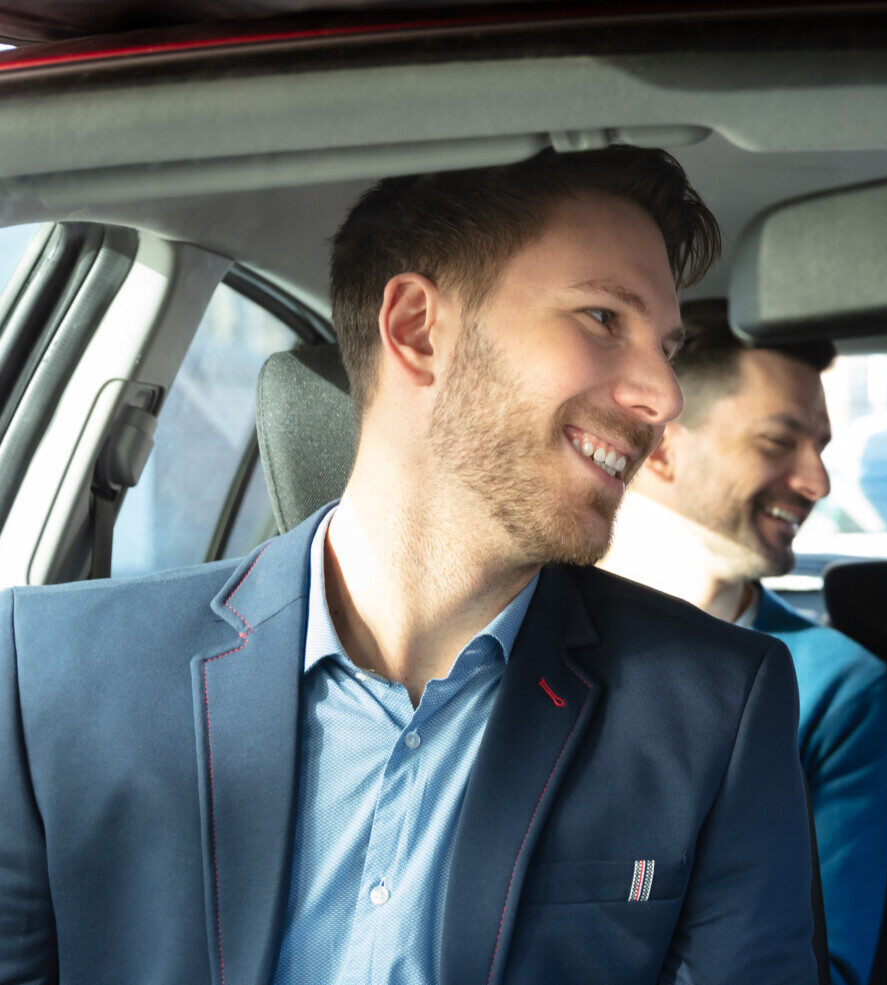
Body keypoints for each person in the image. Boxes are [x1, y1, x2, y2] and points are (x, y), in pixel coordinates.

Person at [0, 147, 821, 984]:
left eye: (667, 347)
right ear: (418, 331)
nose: (664, 394)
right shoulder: (51, 673)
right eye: (605, 319)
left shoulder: (715, 705)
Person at [599, 305, 887, 985]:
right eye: (777, 441)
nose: (818, 481)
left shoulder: (831, 684)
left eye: (819, 445)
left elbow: (824, 967)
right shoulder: (522, 629)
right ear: (663, 445)